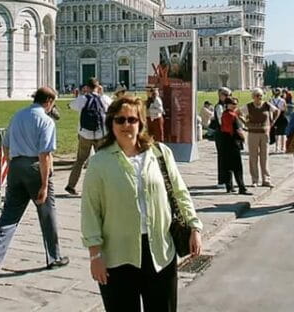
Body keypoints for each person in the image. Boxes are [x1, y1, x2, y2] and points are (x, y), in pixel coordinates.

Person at [81, 96, 202, 311]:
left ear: (141, 123)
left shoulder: (159, 154)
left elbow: (180, 192)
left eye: (132, 120)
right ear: (111, 123)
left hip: (159, 251)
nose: (126, 125)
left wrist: (194, 227)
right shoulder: (100, 162)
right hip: (118, 255)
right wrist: (95, 255)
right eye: (120, 120)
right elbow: (90, 211)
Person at [0, 87, 67, 284]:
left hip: (16, 165)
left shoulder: (18, 115)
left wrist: (12, 165)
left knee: (9, 216)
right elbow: (45, 154)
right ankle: (54, 257)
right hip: (36, 167)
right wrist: (44, 184)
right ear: (49, 102)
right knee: (47, 213)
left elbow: (5, 145)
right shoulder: (46, 121)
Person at [65, 78, 111, 196]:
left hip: (85, 134)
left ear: (87, 87)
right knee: (103, 161)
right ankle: (105, 186)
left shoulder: (83, 99)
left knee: (80, 161)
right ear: (98, 86)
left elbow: (71, 106)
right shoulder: (104, 99)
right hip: (101, 133)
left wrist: (81, 94)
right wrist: (102, 93)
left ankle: (71, 185)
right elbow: (112, 107)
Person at [218, 97, 250, 195]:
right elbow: (238, 130)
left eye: (236, 104)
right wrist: (243, 138)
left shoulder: (224, 114)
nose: (235, 105)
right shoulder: (233, 115)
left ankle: (229, 186)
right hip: (233, 141)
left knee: (227, 165)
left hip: (224, 141)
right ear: (227, 104)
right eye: (233, 104)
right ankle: (242, 187)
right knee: (237, 166)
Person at [243, 88, 274, 187]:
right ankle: (255, 180)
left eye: (260, 95)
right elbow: (238, 112)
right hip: (253, 133)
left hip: (264, 133)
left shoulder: (267, 105)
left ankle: (266, 179)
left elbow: (277, 110)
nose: (259, 97)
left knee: (264, 156)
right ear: (253, 97)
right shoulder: (249, 106)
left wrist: (272, 122)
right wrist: (246, 123)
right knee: (253, 156)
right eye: (257, 95)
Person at [212, 88, 232, 188]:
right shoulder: (219, 107)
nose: (229, 97)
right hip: (221, 133)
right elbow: (221, 122)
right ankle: (222, 180)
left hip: (228, 133)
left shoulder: (227, 106)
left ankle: (228, 180)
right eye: (226, 95)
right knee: (222, 157)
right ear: (221, 95)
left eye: (229, 95)